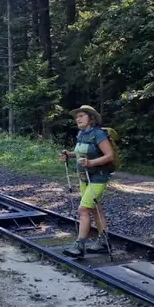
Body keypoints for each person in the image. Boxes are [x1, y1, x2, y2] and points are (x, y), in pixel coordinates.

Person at [58, 105, 116, 255]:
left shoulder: (98, 134)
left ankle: (79, 246)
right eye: (77, 116)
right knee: (95, 210)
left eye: (81, 116)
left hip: (97, 177)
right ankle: (104, 242)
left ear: (91, 118)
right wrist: (69, 154)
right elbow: (81, 153)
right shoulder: (81, 134)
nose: (78, 118)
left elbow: (109, 155)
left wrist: (91, 163)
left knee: (83, 210)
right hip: (84, 178)